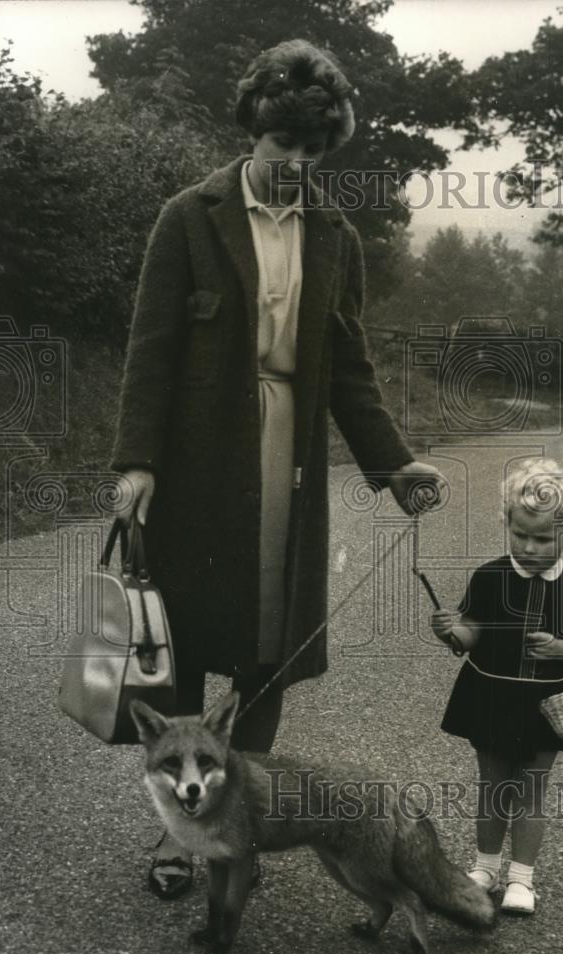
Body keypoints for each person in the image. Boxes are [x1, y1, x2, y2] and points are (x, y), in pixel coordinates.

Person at [112, 38, 441, 899]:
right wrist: (137, 463)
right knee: (182, 644)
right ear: (252, 133)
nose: (293, 165)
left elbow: (349, 368)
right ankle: (179, 838)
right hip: (194, 459)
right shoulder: (189, 216)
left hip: (287, 455)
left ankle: (239, 824)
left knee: (267, 648)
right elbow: (149, 351)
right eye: (279, 147)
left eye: (310, 152)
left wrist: (394, 465)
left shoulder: (334, 236)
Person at [431, 457, 563, 915]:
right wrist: (450, 630)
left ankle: (521, 879)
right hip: (490, 694)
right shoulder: (490, 577)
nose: (528, 547)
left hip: (547, 703)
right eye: (519, 534)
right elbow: (471, 635)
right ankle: (485, 868)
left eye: (542, 539)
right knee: (493, 785)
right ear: (507, 522)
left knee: (530, 788)